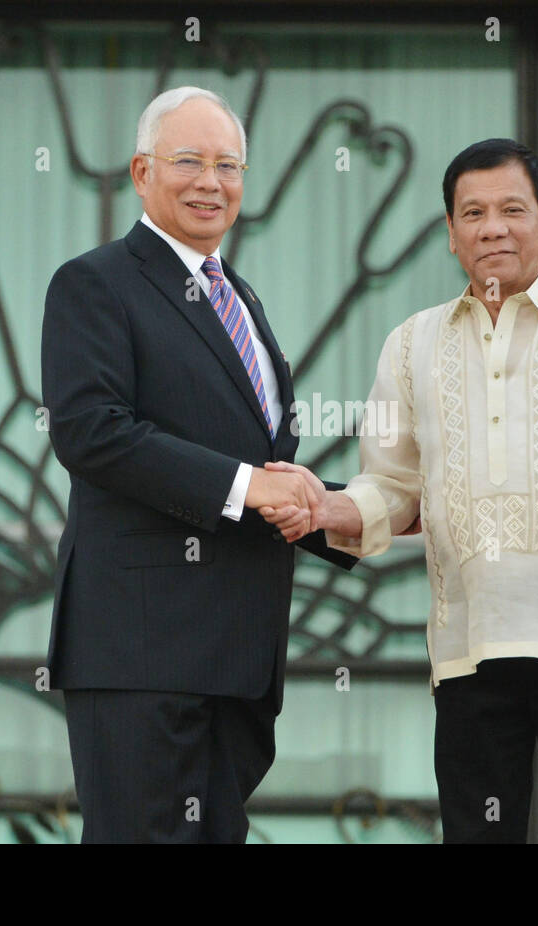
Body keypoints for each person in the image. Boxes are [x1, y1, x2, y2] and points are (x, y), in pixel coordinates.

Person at [263, 138, 538, 843]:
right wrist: (323, 506)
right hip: (469, 652)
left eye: (511, 210)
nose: (492, 227)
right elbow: (395, 490)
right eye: (473, 213)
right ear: (451, 234)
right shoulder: (410, 345)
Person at [41, 86, 357, 843]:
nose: (210, 182)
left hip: (237, 660)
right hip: (141, 653)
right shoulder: (95, 283)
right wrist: (253, 488)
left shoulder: (239, 299)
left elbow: (269, 471)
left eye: (229, 165)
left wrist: (370, 512)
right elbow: (93, 431)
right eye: (189, 161)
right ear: (141, 171)